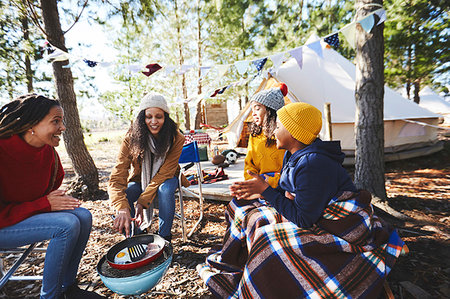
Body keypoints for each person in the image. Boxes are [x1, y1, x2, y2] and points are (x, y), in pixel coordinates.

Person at [198, 102, 405, 298]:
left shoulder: (312, 163)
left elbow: (304, 218)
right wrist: (260, 191)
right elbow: (288, 192)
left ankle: (265, 287)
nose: (272, 131)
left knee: (268, 241)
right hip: (313, 211)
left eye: (278, 126)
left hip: (338, 224)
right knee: (239, 206)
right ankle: (236, 263)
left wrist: (266, 192)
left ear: (294, 133)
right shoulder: (293, 155)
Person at [0, 94, 104, 299]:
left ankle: (67, 289)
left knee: (83, 216)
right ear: (32, 125)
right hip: (3, 225)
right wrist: (44, 204)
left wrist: (47, 202)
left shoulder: (47, 152)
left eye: (62, 121)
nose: (63, 127)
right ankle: (51, 296)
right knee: (66, 225)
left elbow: (48, 189)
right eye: (55, 121)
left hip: (20, 218)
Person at [108, 92, 187, 242]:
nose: (153, 121)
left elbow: (165, 173)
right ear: (142, 119)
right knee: (131, 190)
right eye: (148, 116)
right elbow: (117, 176)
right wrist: (122, 208)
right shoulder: (130, 139)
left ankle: (165, 237)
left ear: (166, 118)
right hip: (140, 180)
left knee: (165, 189)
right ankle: (136, 233)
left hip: (168, 178)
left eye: (159, 116)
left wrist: (142, 202)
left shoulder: (176, 138)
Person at [244, 83, 287, 191]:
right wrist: (251, 180)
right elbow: (249, 164)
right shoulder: (254, 136)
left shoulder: (284, 135)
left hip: (282, 185)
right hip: (259, 184)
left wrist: (272, 181)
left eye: (257, 109)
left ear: (270, 110)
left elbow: (291, 169)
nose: (253, 114)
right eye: (252, 110)